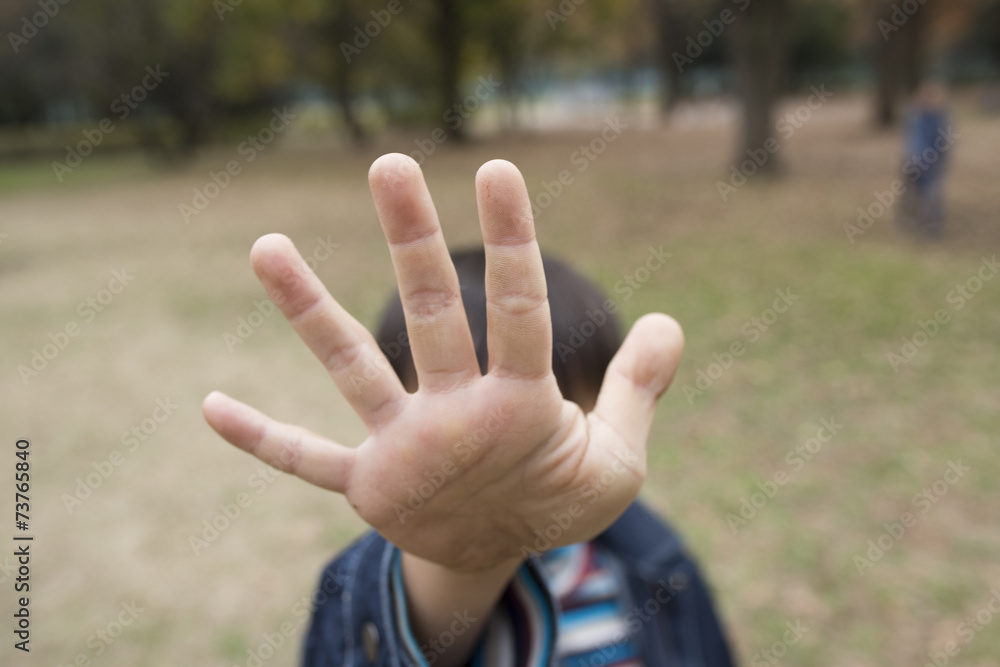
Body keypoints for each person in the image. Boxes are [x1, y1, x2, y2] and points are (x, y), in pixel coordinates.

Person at [202, 154, 735, 667]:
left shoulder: (660, 564)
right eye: (456, 430)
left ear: (604, 402)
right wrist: (468, 568)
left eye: (557, 418)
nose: (509, 459)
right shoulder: (369, 588)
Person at [899, 79, 952, 239]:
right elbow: (911, 139)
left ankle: (931, 225)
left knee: (931, 195)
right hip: (915, 161)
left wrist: (942, 160)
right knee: (912, 194)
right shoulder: (915, 116)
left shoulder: (939, 118)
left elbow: (944, 141)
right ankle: (909, 221)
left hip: (932, 164)